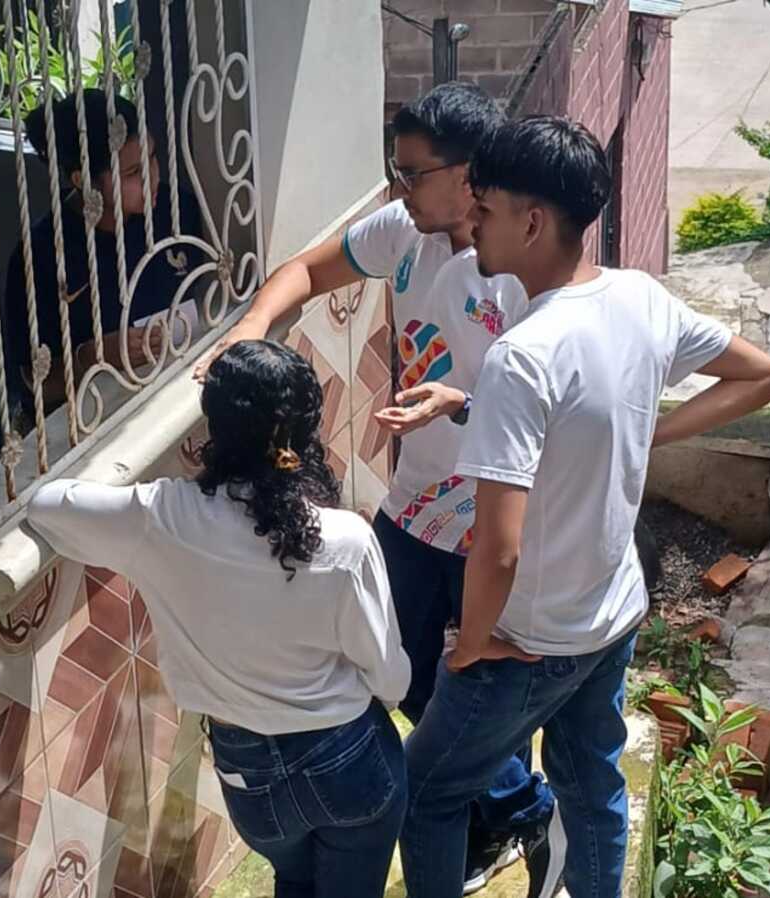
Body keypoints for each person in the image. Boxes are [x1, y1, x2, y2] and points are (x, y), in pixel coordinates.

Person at [399, 116, 770, 898]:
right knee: (593, 792)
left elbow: (498, 548)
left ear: (533, 221)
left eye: (486, 209)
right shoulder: (640, 298)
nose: (471, 223)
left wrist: (473, 644)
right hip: (612, 615)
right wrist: (653, 430)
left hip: (531, 639)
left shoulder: (522, 357)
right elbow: (766, 375)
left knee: (427, 793)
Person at [194, 82, 558, 895]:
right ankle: (511, 804)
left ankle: (512, 805)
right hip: (417, 503)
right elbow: (303, 270)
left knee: (477, 679)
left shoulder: (522, 272)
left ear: (469, 177)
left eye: (411, 174)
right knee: (397, 667)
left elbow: (554, 406)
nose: (396, 189)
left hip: (496, 516)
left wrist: (462, 404)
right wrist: (250, 331)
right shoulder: (404, 233)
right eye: (392, 172)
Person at [28, 340, 411, 898]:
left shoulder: (160, 518)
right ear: (304, 432)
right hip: (347, 760)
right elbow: (391, 679)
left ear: (214, 427)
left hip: (249, 780)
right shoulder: (345, 541)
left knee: (294, 881)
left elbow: (46, 504)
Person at [0, 89, 200, 465]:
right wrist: (91, 357)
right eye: (132, 172)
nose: (153, 176)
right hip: (91, 431)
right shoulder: (43, 256)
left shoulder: (175, 209)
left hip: (173, 401)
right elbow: (35, 387)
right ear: (82, 179)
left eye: (153, 156)